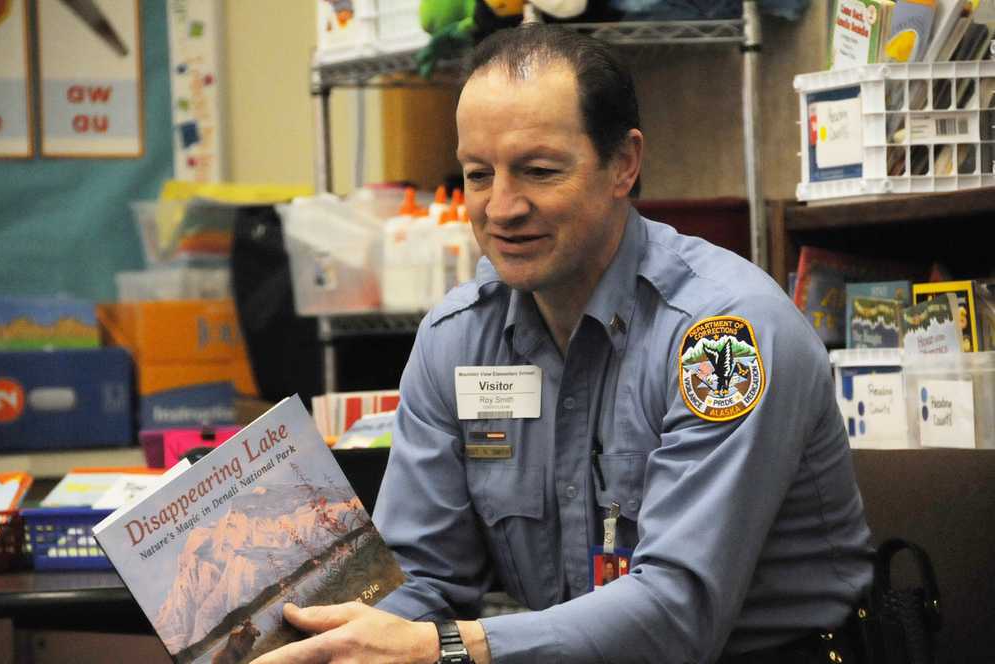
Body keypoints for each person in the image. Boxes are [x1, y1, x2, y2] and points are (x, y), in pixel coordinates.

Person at [253, 23, 873, 664]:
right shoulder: (458, 339)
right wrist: (318, 640)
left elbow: (677, 614)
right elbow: (424, 581)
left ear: (623, 165)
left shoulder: (723, 339)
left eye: (539, 171)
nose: (502, 208)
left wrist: (442, 650)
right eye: (477, 175)